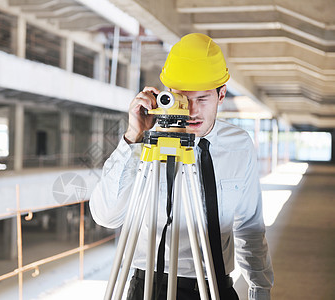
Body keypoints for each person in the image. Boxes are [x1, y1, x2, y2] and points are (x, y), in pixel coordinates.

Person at [90, 33, 273, 300]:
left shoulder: (239, 146)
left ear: (221, 94)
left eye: (202, 99)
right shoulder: (145, 145)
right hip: (150, 288)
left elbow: (250, 227)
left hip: (216, 289)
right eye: (184, 99)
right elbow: (106, 216)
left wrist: (260, 289)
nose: (192, 111)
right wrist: (133, 138)